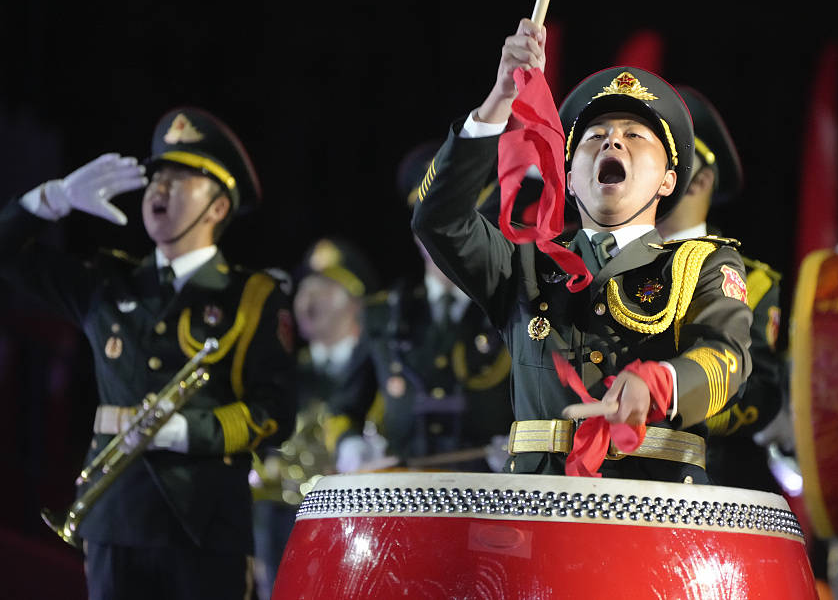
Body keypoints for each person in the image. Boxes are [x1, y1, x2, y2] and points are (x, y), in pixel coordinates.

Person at [411, 18, 753, 482]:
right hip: (539, 515)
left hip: (655, 514)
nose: (612, 139)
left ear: (669, 180)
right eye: (594, 137)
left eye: (635, 135)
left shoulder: (702, 265)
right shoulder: (522, 264)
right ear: (569, 179)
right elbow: (439, 219)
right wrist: (498, 102)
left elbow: (727, 356)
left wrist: (662, 383)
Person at [0, 106, 297, 599]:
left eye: (180, 179)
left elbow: (274, 413)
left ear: (217, 208)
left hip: (205, 523)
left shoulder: (253, 296)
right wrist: (51, 200)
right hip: (116, 518)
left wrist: (189, 431)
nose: (159, 188)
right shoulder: (107, 283)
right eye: (156, 176)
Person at [655, 85, 788, 493]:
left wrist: (666, 405)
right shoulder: (599, 261)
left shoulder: (751, 281)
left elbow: (760, 398)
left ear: (698, 181)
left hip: (706, 490)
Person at [360, 141, 515, 471]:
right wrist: (348, 442)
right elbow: (347, 402)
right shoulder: (382, 313)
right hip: (404, 491)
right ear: (417, 230)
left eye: (458, 221)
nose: (443, 234)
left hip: (489, 489)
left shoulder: (514, 304)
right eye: (433, 219)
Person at [250, 235, 381, 600]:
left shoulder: (386, 376)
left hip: (364, 536)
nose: (306, 301)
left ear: (356, 303)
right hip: (285, 537)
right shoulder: (281, 376)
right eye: (303, 288)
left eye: (323, 288)